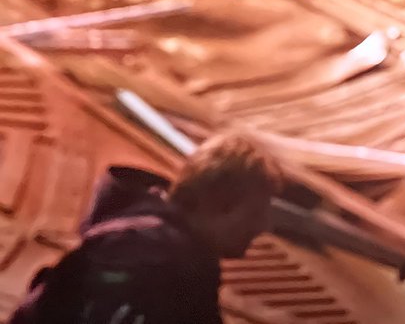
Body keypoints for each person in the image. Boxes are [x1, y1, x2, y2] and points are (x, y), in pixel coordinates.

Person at [10, 132, 284, 324]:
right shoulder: (158, 265)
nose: (261, 226)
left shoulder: (157, 244)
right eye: (254, 214)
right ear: (216, 204)